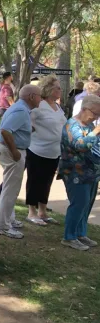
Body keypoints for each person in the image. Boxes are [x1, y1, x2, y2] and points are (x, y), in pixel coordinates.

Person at [0, 85, 42, 239]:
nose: (41, 98)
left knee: (10, 188)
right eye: (40, 96)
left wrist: (28, 130)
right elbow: (5, 131)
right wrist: (14, 152)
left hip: (10, 150)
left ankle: (9, 219)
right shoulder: (21, 110)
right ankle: (2, 226)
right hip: (11, 151)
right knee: (10, 189)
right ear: (32, 96)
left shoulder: (21, 108)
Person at [58, 95, 100, 251]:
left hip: (90, 173)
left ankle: (81, 233)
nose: (95, 117)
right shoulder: (72, 126)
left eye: (98, 115)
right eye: (94, 113)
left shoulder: (88, 125)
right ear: (83, 109)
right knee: (79, 203)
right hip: (75, 172)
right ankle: (69, 237)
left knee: (87, 204)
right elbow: (80, 145)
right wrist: (96, 132)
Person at [25, 75, 65, 226]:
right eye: (58, 88)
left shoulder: (57, 106)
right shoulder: (39, 106)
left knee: (47, 182)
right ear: (49, 89)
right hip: (37, 150)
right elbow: (27, 122)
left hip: (54, 152)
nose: (60, 90)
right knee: (35, 181)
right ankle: (32, 212)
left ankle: (43, 211)